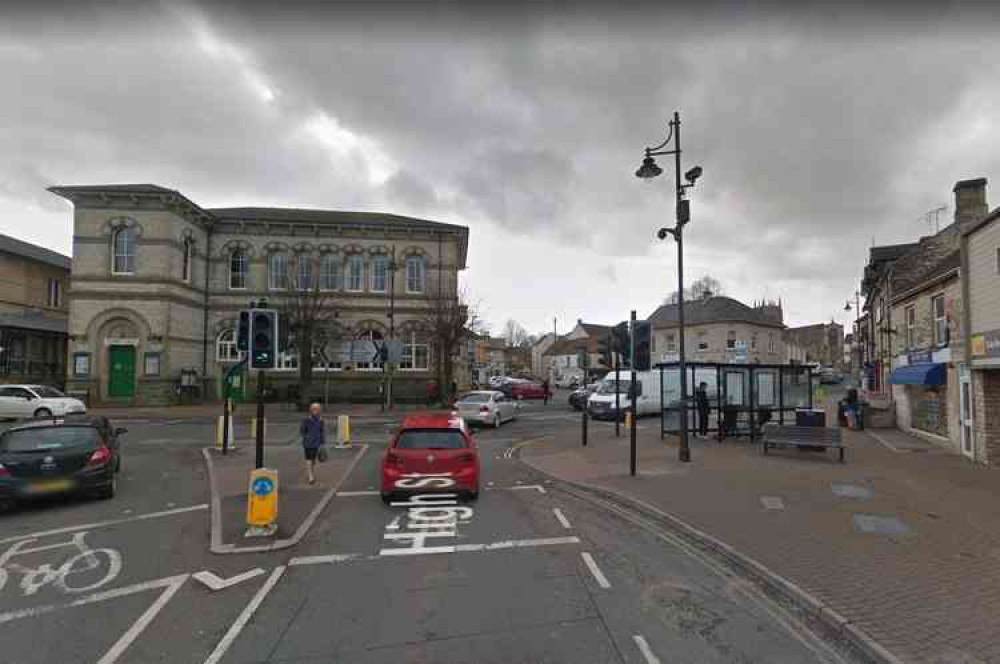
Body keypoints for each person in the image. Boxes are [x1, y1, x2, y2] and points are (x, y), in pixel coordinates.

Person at [299, 402, 325, 485]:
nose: (315, 410)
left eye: (317, 409)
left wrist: (322, 442)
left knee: (313, 460)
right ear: (310, 410)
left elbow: (321, 431)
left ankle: (311, 473)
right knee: (309, 459)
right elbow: (302, 431)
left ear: (319, 410)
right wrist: (307, 437)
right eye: (314, 409)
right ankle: (310, 476)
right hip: (308, 443)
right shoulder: (306, 419)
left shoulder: (321, 420)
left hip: (316, 443)